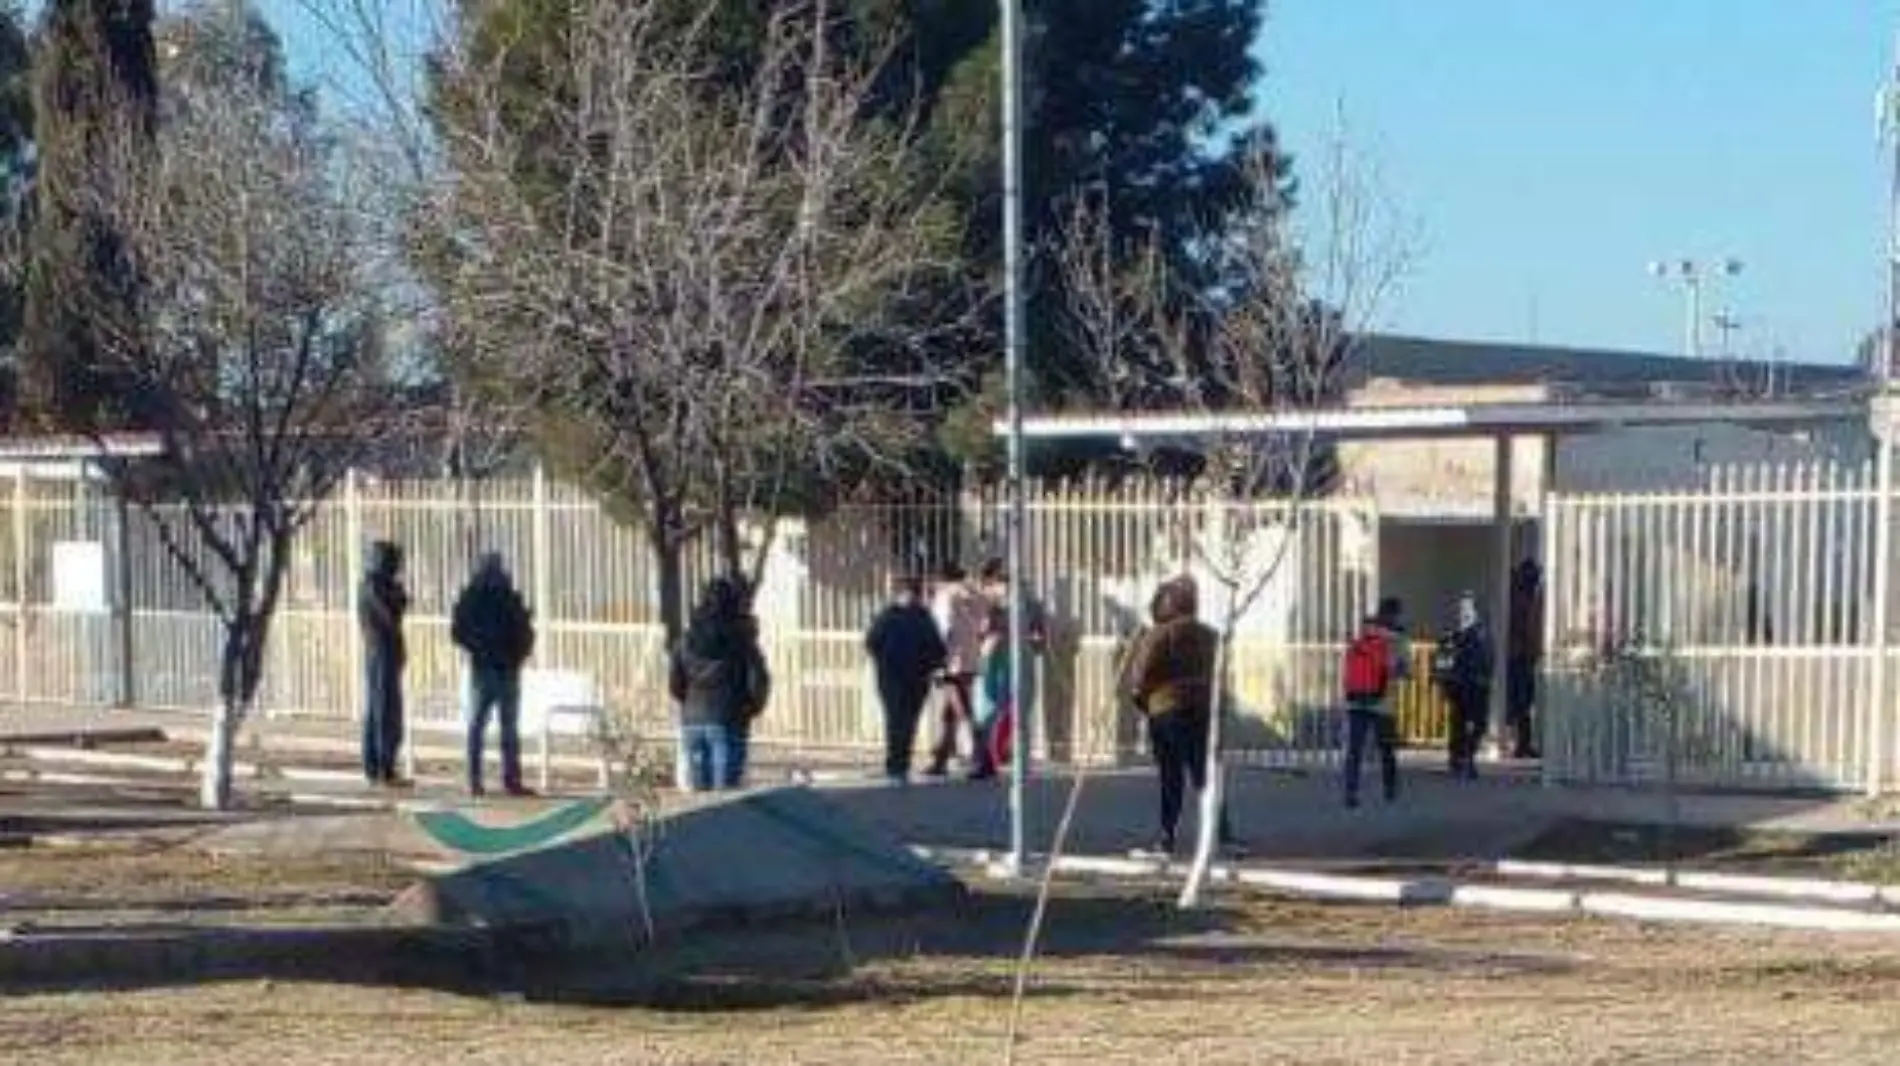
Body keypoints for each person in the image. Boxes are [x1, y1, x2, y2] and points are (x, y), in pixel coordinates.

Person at [1125, 576, 1237, 855]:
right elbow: (1222, 675)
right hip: (1203, 710)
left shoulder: (1157, 635)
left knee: (1171, 777)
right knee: (1205, 776)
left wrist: (1144, 704)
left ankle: (1166, 839)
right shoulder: (1212, 635)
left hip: (1166, 711)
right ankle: (1222, 836)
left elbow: (1139, 679)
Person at [669, 575, 770, 792]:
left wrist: (687, 702)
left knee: (700, 798)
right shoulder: (741, 640)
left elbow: (675, 684)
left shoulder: (686, 641)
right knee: (726, 796)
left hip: (692, 721)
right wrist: (751, 708)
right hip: (729, 719)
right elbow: (758, 680)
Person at [450, 552, 536, 797]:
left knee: (478, 726)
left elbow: (458, 632)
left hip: (487, 668)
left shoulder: (473, 596)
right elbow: (525, 631)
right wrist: (517, 654)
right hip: (504, 669)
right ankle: (509, 780)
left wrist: (479, 648)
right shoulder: (506, 595)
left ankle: (476, 780)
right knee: (504, 727)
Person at [865, 575, 948, 783]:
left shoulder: (922, 616)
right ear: (900, 594)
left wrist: (934, 667)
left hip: (915, 678)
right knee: (897, 720)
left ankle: (900, 764)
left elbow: (937, 648)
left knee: (907, 721)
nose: (913, 597)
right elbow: (872, 643)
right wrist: (886, 663)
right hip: (894, 678)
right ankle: (895, 765)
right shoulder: (888, 616)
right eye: (911, 593)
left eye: (915, 593)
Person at [1340, 596, 1410, 809]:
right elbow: (1402, 670)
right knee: (1386, 748)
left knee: (1355, 750)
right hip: (1382, 703)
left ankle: (1351, 791)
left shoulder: (1363, 634)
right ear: (1396, 614)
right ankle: (1390, 787)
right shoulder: (1398, 640)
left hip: (1356, 701)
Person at [927, 563, 989, 778]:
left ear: (942, 578)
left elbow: (943, 630)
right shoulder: (976, 596)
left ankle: (983, 759)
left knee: (962, 709)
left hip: (952, 661)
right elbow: (983, 626)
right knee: (950, 711)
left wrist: (937, 663)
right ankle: (941, 758)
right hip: (971, 658)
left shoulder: (945, 596)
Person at [358, 540, 411, 787]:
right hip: (381, 653)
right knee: (383, 710)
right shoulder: (374, 586)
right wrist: (399, 597)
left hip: (385, 652)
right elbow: (392, 615)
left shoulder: (378, 585)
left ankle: (380, 766)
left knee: (384, 709)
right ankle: (381, 767)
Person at [1433, 591, 1495, 780]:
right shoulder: (1459, 635)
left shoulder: (1479, 633)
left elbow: (1489, 658)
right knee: (1464, 722)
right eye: (1463, 608)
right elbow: (1442, 658)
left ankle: (1462, 757)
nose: (1465, 612)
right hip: (1464, 683)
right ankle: (1462, 757)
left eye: (1468, 608)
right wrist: (1443, 679)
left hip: (1473, 683)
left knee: (1471, 723)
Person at [1506, 558, 1544, 760]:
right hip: (1520, 656)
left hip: (1522, 655)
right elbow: (1524, 627)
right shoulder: (1522, 598)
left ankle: (1523, 743)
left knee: (1523, 703)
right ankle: (1521, 743)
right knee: (1522, 702)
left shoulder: (1521, 596)